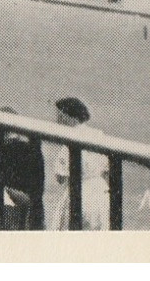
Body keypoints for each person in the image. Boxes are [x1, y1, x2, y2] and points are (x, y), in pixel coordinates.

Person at [50, 96, 109, 231]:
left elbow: (60, 177)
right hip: (100, 191)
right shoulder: (98, 135)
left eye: (60, 116)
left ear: (68, 116)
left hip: (79, 192)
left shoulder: (71, 139)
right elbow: (107, 169)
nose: (58, 121)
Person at [0, 108, 47, 230]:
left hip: (11, 207)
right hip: (34, 207)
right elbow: (39, 182)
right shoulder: (32, 148)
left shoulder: (0, 150)